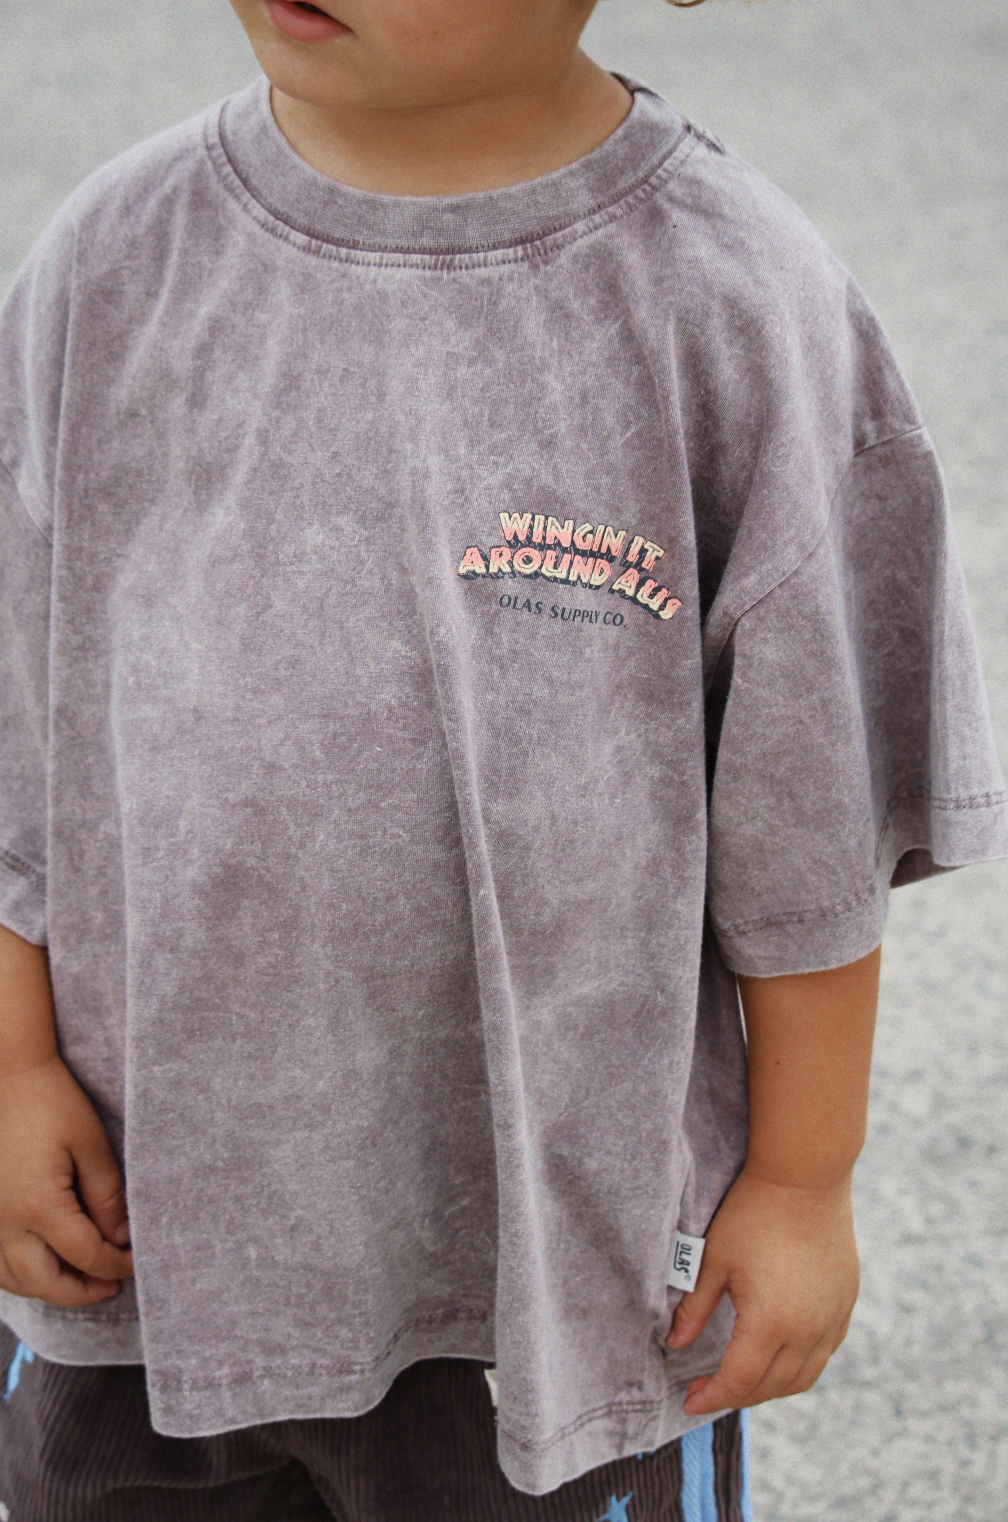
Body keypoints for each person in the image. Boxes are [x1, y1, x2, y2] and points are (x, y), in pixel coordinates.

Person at [0, 0, 1004, 1516]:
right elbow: (18, 719)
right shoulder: (111, 264)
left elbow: (817, 818)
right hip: (150, 1252)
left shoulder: (732, 299)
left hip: (557, 1294)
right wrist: (15, 1063)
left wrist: (802, 1181)